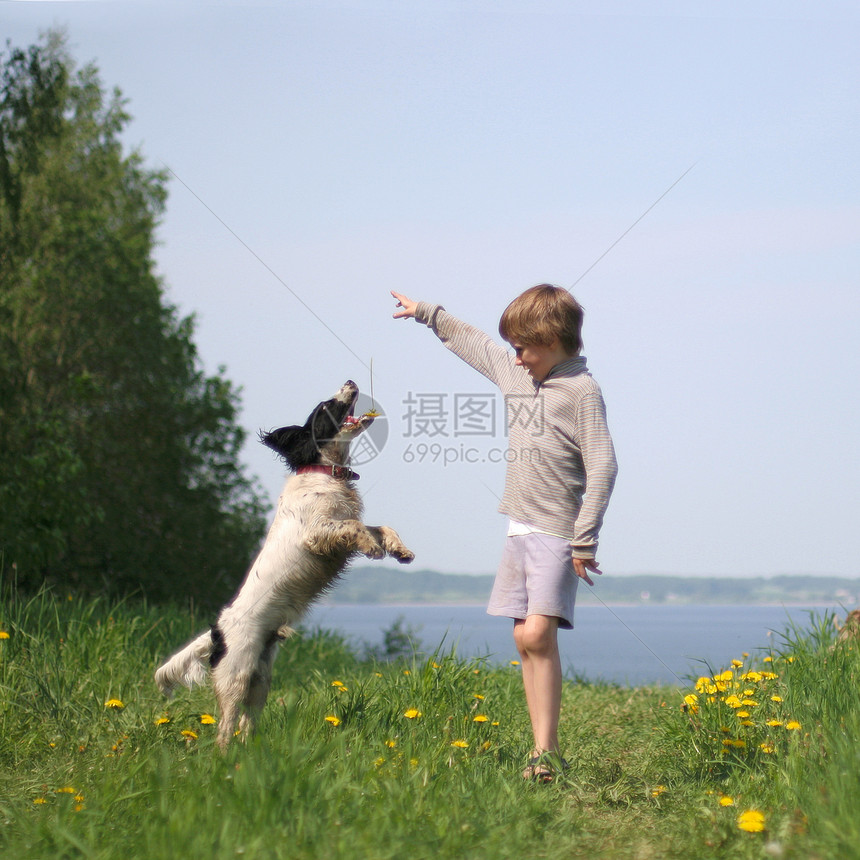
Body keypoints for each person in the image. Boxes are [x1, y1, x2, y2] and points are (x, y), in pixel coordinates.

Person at [391, 285, 617, 782]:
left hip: (559, 532)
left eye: (523, 348)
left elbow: (603, 465)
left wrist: (585, 538)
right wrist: (428, 314)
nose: (514, 359)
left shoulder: (583, 392)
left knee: (539, 632)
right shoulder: (517, 378)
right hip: (518, 529)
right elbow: (476, 344)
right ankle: (543, 752)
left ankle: (547, 747)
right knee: (524, 638)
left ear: (553, 339)